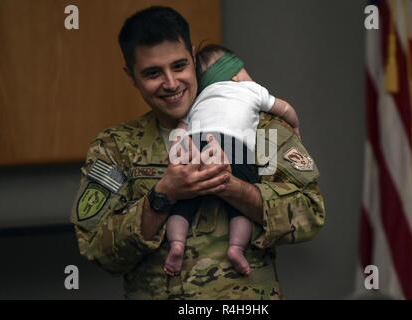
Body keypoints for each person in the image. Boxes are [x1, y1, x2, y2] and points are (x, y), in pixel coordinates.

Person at [70, 6, 325, 300]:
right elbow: (98, 250)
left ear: (193, 58)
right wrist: (163, 196)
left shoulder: (259, 131)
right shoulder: (116, 146)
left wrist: (231, 186)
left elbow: (310, 214)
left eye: (179, 66)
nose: (170, 83)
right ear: (132, 76)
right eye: (153, 73)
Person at [163, 44, 300, 277]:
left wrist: (177, 153)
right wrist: (295, 125)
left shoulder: (197, 100)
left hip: (199, 146)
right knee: (240, 208)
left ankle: (176, 244)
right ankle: (236, 249)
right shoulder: (252, 90)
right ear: (236, 74)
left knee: (183, 202)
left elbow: (181, 129)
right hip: (236, 148)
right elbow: (284, 108)